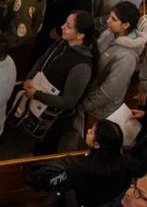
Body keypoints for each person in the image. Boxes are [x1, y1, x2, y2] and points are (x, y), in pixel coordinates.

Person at [27, 120, 135, 207]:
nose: (88, 130)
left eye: (92, 131)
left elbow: (55, 181)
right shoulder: (124, 163)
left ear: (97, 144)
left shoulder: (81, 169)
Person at [25, 10, 98, 155]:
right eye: (65, 23)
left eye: (68, 26)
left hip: (55, 117)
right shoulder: (63, 41)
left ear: (80, 35)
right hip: (40, 101)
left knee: (45, 149)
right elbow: (44, 58)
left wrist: (37, 94)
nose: (62, 26)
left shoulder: (82, 66)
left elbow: (68, 102)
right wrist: (30, 76)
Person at [82, 1, 147, 121]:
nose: (108, 21)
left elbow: (109, 90)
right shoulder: (110, 33)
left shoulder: (127, 58)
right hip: (88, 92)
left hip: (98, 110)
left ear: (125, 25)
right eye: (109, 17)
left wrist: (86, 105)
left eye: (113, 19)